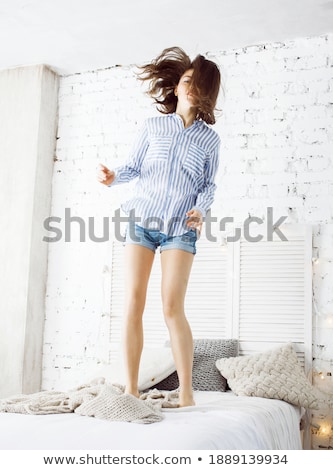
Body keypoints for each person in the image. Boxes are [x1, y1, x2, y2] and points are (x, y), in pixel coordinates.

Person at [97, 46, 221, 407]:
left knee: (171, 308)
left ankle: (186, 393)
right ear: (177, 86)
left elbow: (208, 185)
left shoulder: (209, 140)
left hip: (180, 227)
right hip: (142, 221)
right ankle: (131, 389)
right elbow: (134, 168)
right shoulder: (153, 127)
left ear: (204, 93)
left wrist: (201, 210)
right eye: (185, 81)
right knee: (133, 302)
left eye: (195, 84)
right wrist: (114, 177)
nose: (188, 87)